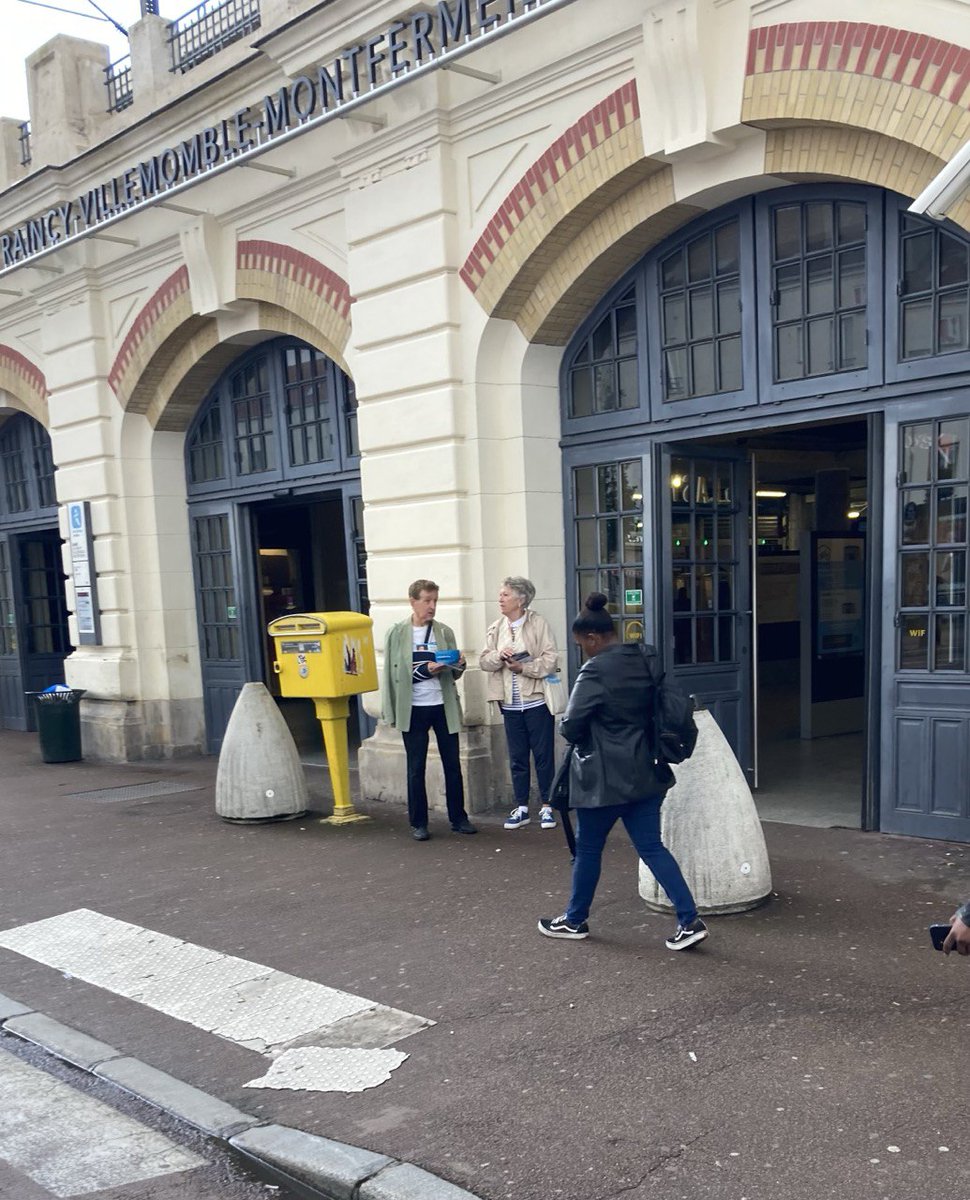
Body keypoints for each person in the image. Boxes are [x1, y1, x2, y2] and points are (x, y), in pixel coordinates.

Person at [537, 592, 708, 951]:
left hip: (603, 778)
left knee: (588, 849)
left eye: (582, 643)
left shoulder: (596, 669)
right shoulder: (644, 657)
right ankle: (689, 919)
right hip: (646, 770)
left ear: (594, 638)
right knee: (651, 847)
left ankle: (574, 919)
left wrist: (571, 727)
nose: (582, 650)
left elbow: (572, 725)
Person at [381, 579, 477, 841]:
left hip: (442, 705)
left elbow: (455, 674)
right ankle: (419, 823)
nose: (432, 606)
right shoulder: (397, 633)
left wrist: (459, 664)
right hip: (413, 707)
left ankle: (459, 818)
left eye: (435, 600)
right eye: (427, 600)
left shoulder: (444, 631)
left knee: (452, 764)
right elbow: (393, 674)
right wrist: (426, 670)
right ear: (413, 601)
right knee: (416, 767)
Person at [480, 576, 559, 831]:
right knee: (517, 757)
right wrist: (498, 656)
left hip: (535, 700)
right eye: (500, 594)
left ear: (521, 599)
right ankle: (522, 807)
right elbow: (484, 661)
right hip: (509, 702)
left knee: (544, 756)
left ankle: (547, 806)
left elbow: (551, 660)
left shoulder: (538, 624)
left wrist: (523, 667)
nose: (500, 599)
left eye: (505, 595)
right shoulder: (496, 627)